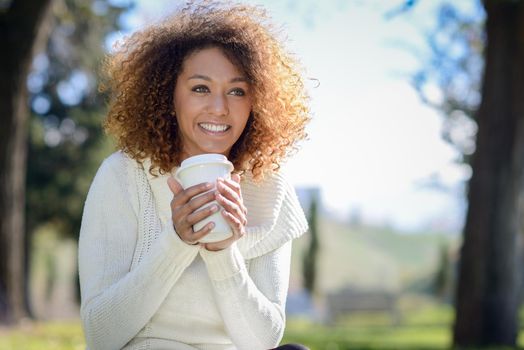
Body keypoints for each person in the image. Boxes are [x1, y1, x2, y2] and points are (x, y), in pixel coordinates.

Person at [78, 1, 311, 349]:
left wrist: (221, 252)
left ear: (257, 100)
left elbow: (262, 341)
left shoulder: (271, 188)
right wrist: (176, 242)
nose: (219, 108)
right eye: (200, 88)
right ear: (169, 94)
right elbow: (101, 335)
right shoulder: (124, 176)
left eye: (237, 91)